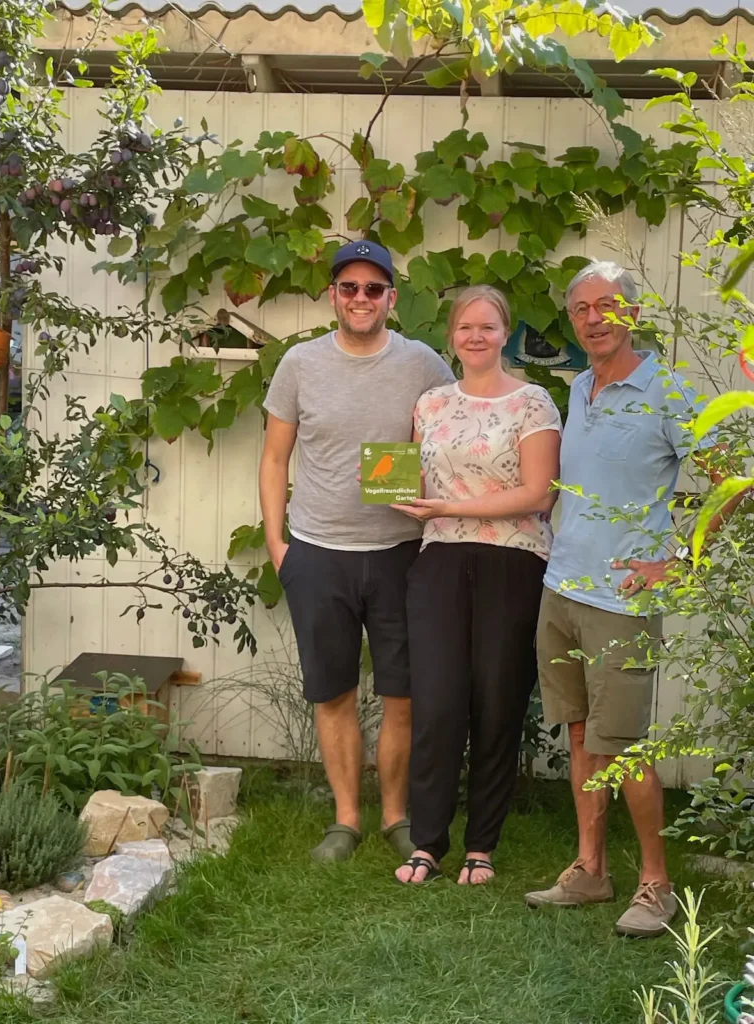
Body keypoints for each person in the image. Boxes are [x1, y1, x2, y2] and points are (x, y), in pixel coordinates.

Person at [525, 260, 713, 937]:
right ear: (571, 321)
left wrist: (681, 559)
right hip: (561, 590)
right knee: (581, 736)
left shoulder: (666, 389)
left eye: (608, 305)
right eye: (581, 308)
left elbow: (729, 481)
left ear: (633, 313)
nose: (595, 317)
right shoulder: (579, 388)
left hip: (622, 600)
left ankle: (656, 884)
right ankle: (590, 870)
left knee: (624, 744)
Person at [259, 239, 454, 864]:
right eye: (350, 288)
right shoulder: (300, 364)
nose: (361, 298)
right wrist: (277, 544)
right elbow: (273, 457)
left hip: (401, 551)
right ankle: (345, 820)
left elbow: (452, 438)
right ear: (333, 296)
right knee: (334, 691)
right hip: (318, 552)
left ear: (391, 298)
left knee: (404, 692)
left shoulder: (423, 363)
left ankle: (396, 814)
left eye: (374, 289)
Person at [391, 285, 562, 886]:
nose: (475, 336)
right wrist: (405, 498)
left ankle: (481, 845)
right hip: (438, 560)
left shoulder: (533, 403)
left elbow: (539, 493)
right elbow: (408, 477)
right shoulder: (431, 404)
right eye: (466, 326)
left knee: (497, 700)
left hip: (512, 562)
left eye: (487, 326)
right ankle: (427, 841)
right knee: (436, 703)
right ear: (452, 335)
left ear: (504, 333)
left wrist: (447, 508)